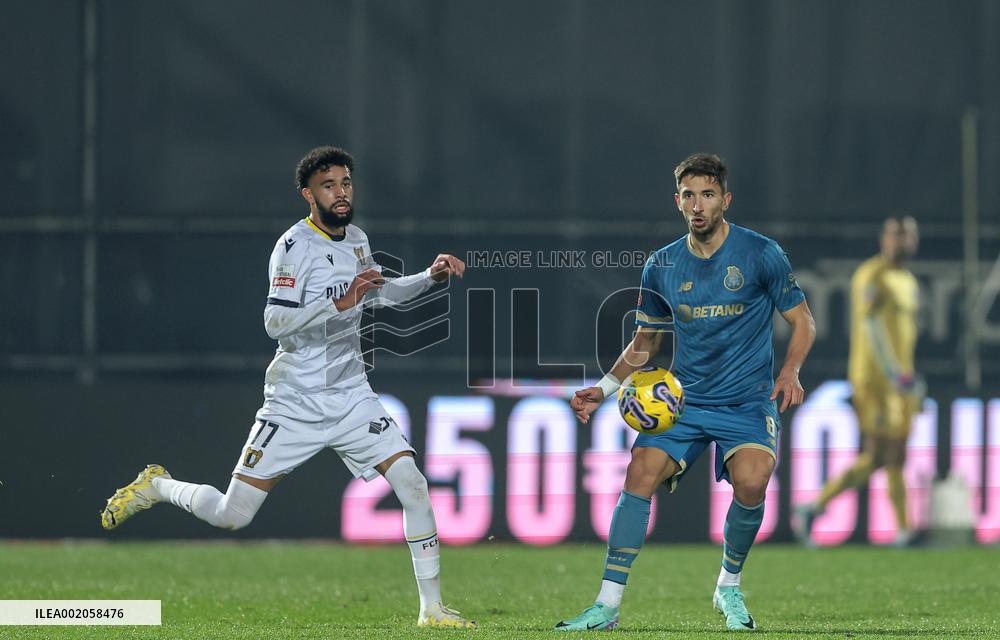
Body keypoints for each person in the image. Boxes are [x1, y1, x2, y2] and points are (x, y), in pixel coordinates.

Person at [100, 146, 474, 629]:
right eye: (328, 186)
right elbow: (275, 322)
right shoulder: (294, 246)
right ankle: (157, 485)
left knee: (413, 484)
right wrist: (339, 304)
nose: (340, 193)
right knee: (232, 515)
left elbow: (379, 293)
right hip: (295, 402)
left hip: (351, 396)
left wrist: (429, 276)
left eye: (345, 183)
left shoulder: (357, 239)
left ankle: (432, 611)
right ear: (308, 194)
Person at [555, 153, 816, 632]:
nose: (699, 205)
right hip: (684, 402)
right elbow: (645, 342)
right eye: (690, 195)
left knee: (753, 482)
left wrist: (791, 370)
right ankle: (606, 605)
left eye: (708, 194)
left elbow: (803, 321)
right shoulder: (662, 265)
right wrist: (605, 387)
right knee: (640, 471)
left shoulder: (761, 254)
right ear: (678, 201)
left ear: (725, 200)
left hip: (745, 401)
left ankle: (728, 586)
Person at [794, 217, 921, 547]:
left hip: (901, 381)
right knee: (887, 452)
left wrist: (908, 376)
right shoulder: (872, 275)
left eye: (908, 236)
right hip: (875, 380)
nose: (903, 242)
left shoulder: (907, 280)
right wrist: (894, 373)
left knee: (885, 456)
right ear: (884, 239)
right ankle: (904, 529)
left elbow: (904, 335)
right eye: (897, 235)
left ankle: (814, 507)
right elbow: (872, 328)